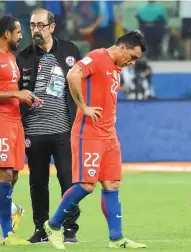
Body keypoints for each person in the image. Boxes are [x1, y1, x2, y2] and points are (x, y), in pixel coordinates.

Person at [44, 31, 147, 249]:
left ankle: (116, 239)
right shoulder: (99, 57)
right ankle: (52, 226)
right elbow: (73, 76)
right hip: (88, 133)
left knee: (112, 184)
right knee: (86, 185)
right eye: (133, 57)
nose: (133, 62)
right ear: (122, 47)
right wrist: (83, 107)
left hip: (109, 135)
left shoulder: (117, 69)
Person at [16, 8, 81, 244]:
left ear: (52, 27)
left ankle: (70, 228)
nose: (35, 30)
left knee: (68, 180)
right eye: (32, 25)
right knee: (38, 183)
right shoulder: (22, 56)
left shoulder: (70, 50)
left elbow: (82, 83)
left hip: (64, 128)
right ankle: (40, 229)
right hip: (33, 131)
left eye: (40, 25)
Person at [0, 15, 42, 245]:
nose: (21, 35)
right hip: (1, 122)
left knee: (13, 174)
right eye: (17, 32)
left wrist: (26, 98)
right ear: (7, 33)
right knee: (5, 172)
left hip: (15, 122)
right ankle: (6, 233)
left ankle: (10, 211)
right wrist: (16, 94)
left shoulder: (10, 58)